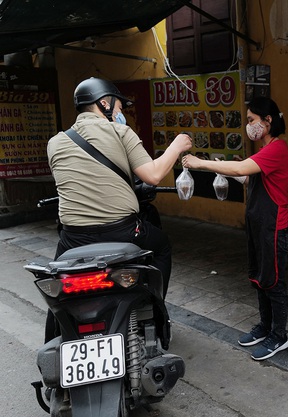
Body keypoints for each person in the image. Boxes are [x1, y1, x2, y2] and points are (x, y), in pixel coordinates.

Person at [47, 77, 193, 302]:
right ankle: (155, 305)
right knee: (162, 246)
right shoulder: (120, 132)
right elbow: (152, 175)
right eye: (119, 106)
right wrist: (177, 146)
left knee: (59, 291)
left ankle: (56, 329)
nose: (120, 111)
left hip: (73, 236)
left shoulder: (55, 142)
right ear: (104, 103)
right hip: (121, 230)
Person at [182, 96, 288, 361]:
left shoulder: (278, 148)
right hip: (258, 226)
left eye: (252, 120)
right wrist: (223, 167)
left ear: (268, 121)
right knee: (260, 280)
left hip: (274, 228)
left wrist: (202, 163)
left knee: (274, 283)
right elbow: (245, 175)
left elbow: (243, 167)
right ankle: (265, 327)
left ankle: (279, 336)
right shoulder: (264, 151)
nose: (248, 125)